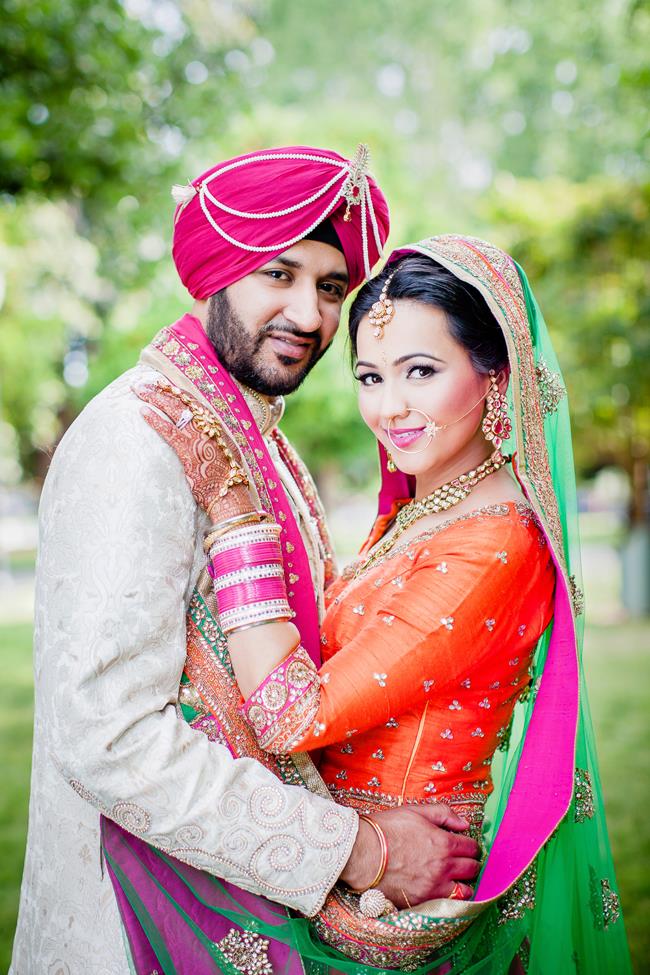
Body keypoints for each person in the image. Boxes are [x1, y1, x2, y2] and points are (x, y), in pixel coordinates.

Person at [10, 150, 481, 975]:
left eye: (332, 287)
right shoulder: (140, 439)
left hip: (241, 902)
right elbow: (109, 739)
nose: (307, 312)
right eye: (278, 274)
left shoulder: (252, 435)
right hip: (132, 924)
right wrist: (360, 848)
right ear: (219, 272)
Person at [119, 235, 632, 973]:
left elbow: (293, 713)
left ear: (495, 373)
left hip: (393, 907)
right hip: (345, 872)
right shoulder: (434, 506)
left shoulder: (494, 541)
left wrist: (236, 514)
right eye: (370, 376)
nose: (389, 409)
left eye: (420, 372)